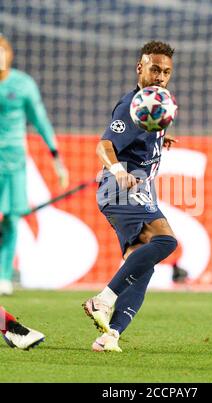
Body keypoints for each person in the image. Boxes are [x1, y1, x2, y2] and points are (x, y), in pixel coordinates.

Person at [83, 41, 178, 352]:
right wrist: (118, 170)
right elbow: (104, 145)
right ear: (140, 67)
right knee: (165, 241)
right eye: (154, 69)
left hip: (137, 193)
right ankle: (103, 300)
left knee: (141, 267)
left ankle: (110, 335)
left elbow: (139, 138)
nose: (160, 76)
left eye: (166, 71)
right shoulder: (131, 106)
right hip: (120, 189)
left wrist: (158, 141)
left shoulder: (158, 104)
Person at [0, 35, 69, 295]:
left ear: (9, 54)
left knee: (11, 219)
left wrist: (57, 161)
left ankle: (4, 276)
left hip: (14, 162)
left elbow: (40, 121)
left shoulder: (23, 85)